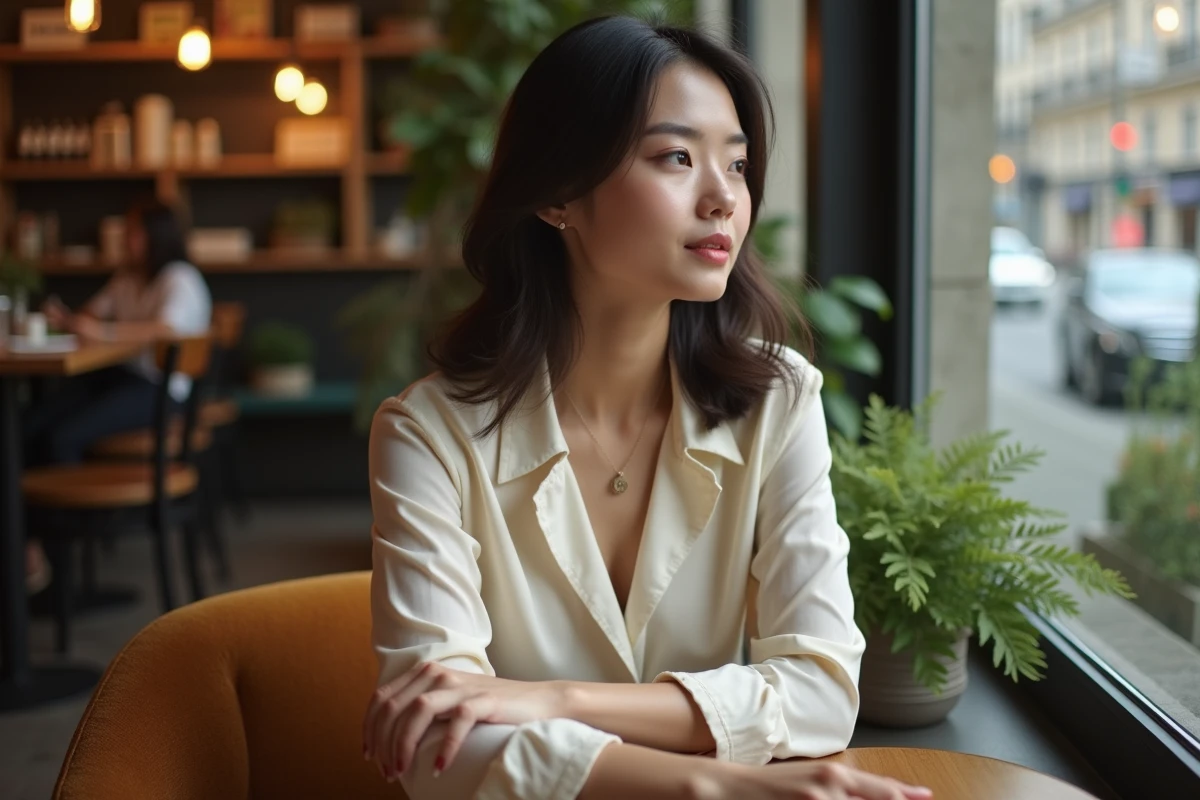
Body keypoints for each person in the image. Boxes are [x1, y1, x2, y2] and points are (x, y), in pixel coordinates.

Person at [361, 16, 931, 800]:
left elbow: (822, 692)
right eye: (676, 158)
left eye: (737, 164)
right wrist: (714, 786)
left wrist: (557, 701)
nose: (723, 198)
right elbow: (438, 744)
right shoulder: (429, 436)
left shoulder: (778, 399)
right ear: (559, 193)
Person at [23, 199, 211, 590]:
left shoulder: (179, 279)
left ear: (156, 235)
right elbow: (92, 313)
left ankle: (67, 563)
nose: (125, 239)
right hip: (121, 377)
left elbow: (165, 330)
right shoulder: (129, 277)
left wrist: (103, 332)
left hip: (160, 390)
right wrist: (71, 320)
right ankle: (29, 550)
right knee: (29, 425)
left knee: (62, 437)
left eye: (133, 232)